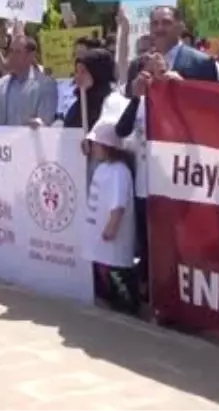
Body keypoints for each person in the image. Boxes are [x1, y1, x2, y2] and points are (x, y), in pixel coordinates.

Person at [82, 119, 138, 315]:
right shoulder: (101, 168)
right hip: (99, 240)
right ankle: (111, 304)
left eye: (96, 144)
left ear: (108, 146)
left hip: (111, 241)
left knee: (116, 274)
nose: (93, 147)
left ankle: (129, 306)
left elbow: (118, 204)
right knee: (103, 273)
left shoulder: (120, 172)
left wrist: (112, 227)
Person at [0, 35, 58, 127]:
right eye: (11, 51)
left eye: (18, 52)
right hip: (2, 140)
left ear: (31, 55)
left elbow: (45, 120)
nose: (12, 56)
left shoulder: (45, 85)